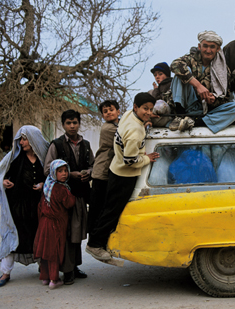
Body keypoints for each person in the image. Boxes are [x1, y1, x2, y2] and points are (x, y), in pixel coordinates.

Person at [86, 92, 160, 261]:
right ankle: (95, 245)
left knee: (108, 208)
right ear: (136, 107)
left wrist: (146, 119)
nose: (148, 112)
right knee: (112, 211)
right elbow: (130, 161)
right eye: (145, 109)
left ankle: (98, 241)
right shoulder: (135, 132)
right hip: (124, 175)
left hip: (115, 168)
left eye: (150, 109)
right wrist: (146, 158)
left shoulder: (129, 115)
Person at [0, 125, 49, 288]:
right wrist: (2, 181)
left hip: (38, 207)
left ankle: (42, 268)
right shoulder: (14, 157)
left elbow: (53, 177)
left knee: (38, 237)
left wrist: (44, 184)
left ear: (33, 140)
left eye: (24, 139)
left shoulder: (43, 158)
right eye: (20, 139)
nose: (21, 142)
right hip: (17, 207)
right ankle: (5, 273)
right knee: (12, 238)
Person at [44, 109, 94, 285]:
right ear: (63, 124)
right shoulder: (56, 145)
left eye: (75, 122)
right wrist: (68, 174)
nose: (72, 126)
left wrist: (88, 172)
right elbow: (47, 169)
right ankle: (67, 270)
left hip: (80, 195)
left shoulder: (86, 144)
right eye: (68, 123)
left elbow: (92, 165)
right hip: (62, 198)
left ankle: (74, 266)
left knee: (76, 232)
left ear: (79, 124)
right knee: (65, 233)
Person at [169, 30, 235, 133]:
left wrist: (213, 100)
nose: (208, 50)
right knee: (180, 74)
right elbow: (175, 65)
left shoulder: (223, 69)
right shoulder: (190, 59)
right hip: (187, 102)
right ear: (199, 47)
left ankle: (196, 122)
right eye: (205, 46)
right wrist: (198, 86)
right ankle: (180, 116)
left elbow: (225, 97)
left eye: (212, 47)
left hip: (205, 110)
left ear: (218, 49)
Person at [34, 159, 76, 290]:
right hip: (56, 225)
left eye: (65, 171)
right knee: (54, 251)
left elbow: (40, 206)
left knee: (45, 251)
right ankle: (54, 279)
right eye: (60, 171)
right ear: (53, 172)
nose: (64, 174)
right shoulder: (61, 189)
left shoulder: (47, 186)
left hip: (44, 223)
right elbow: (69, 203)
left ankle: (45, 278)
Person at [88, 100, 120, 233]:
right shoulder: (108, 128)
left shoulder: (118, 125)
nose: (108, 113)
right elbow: (125, 135)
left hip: (108, 170)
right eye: (105, 112)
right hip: (102, 170)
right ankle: (94, 235)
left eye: (111, 110)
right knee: (98, 206)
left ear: (118, 111)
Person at [148, 62, 173, 127]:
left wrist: (156, 90)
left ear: (167, 75)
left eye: (160, 74)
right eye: (155, 75)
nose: (157, 77)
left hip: (167, 115)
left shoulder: (170, 84)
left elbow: (159, 102)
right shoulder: (160, 87)